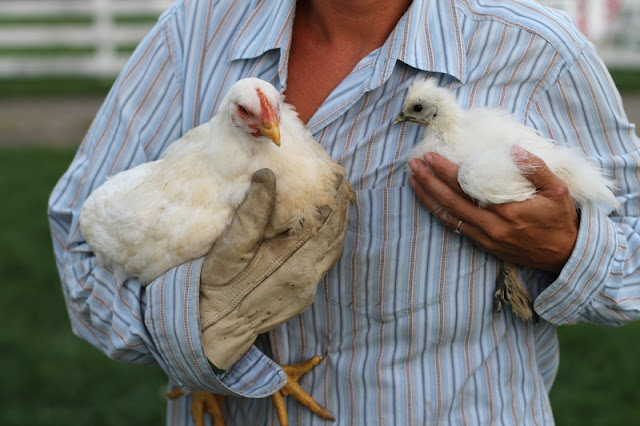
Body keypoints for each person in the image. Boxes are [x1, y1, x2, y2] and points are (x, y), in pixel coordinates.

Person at [48, 0, 640, 424]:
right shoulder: (197, 30)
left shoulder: (536, 51)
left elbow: (633, 256)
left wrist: (566, 249)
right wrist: (190, 319)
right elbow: (81, 239)